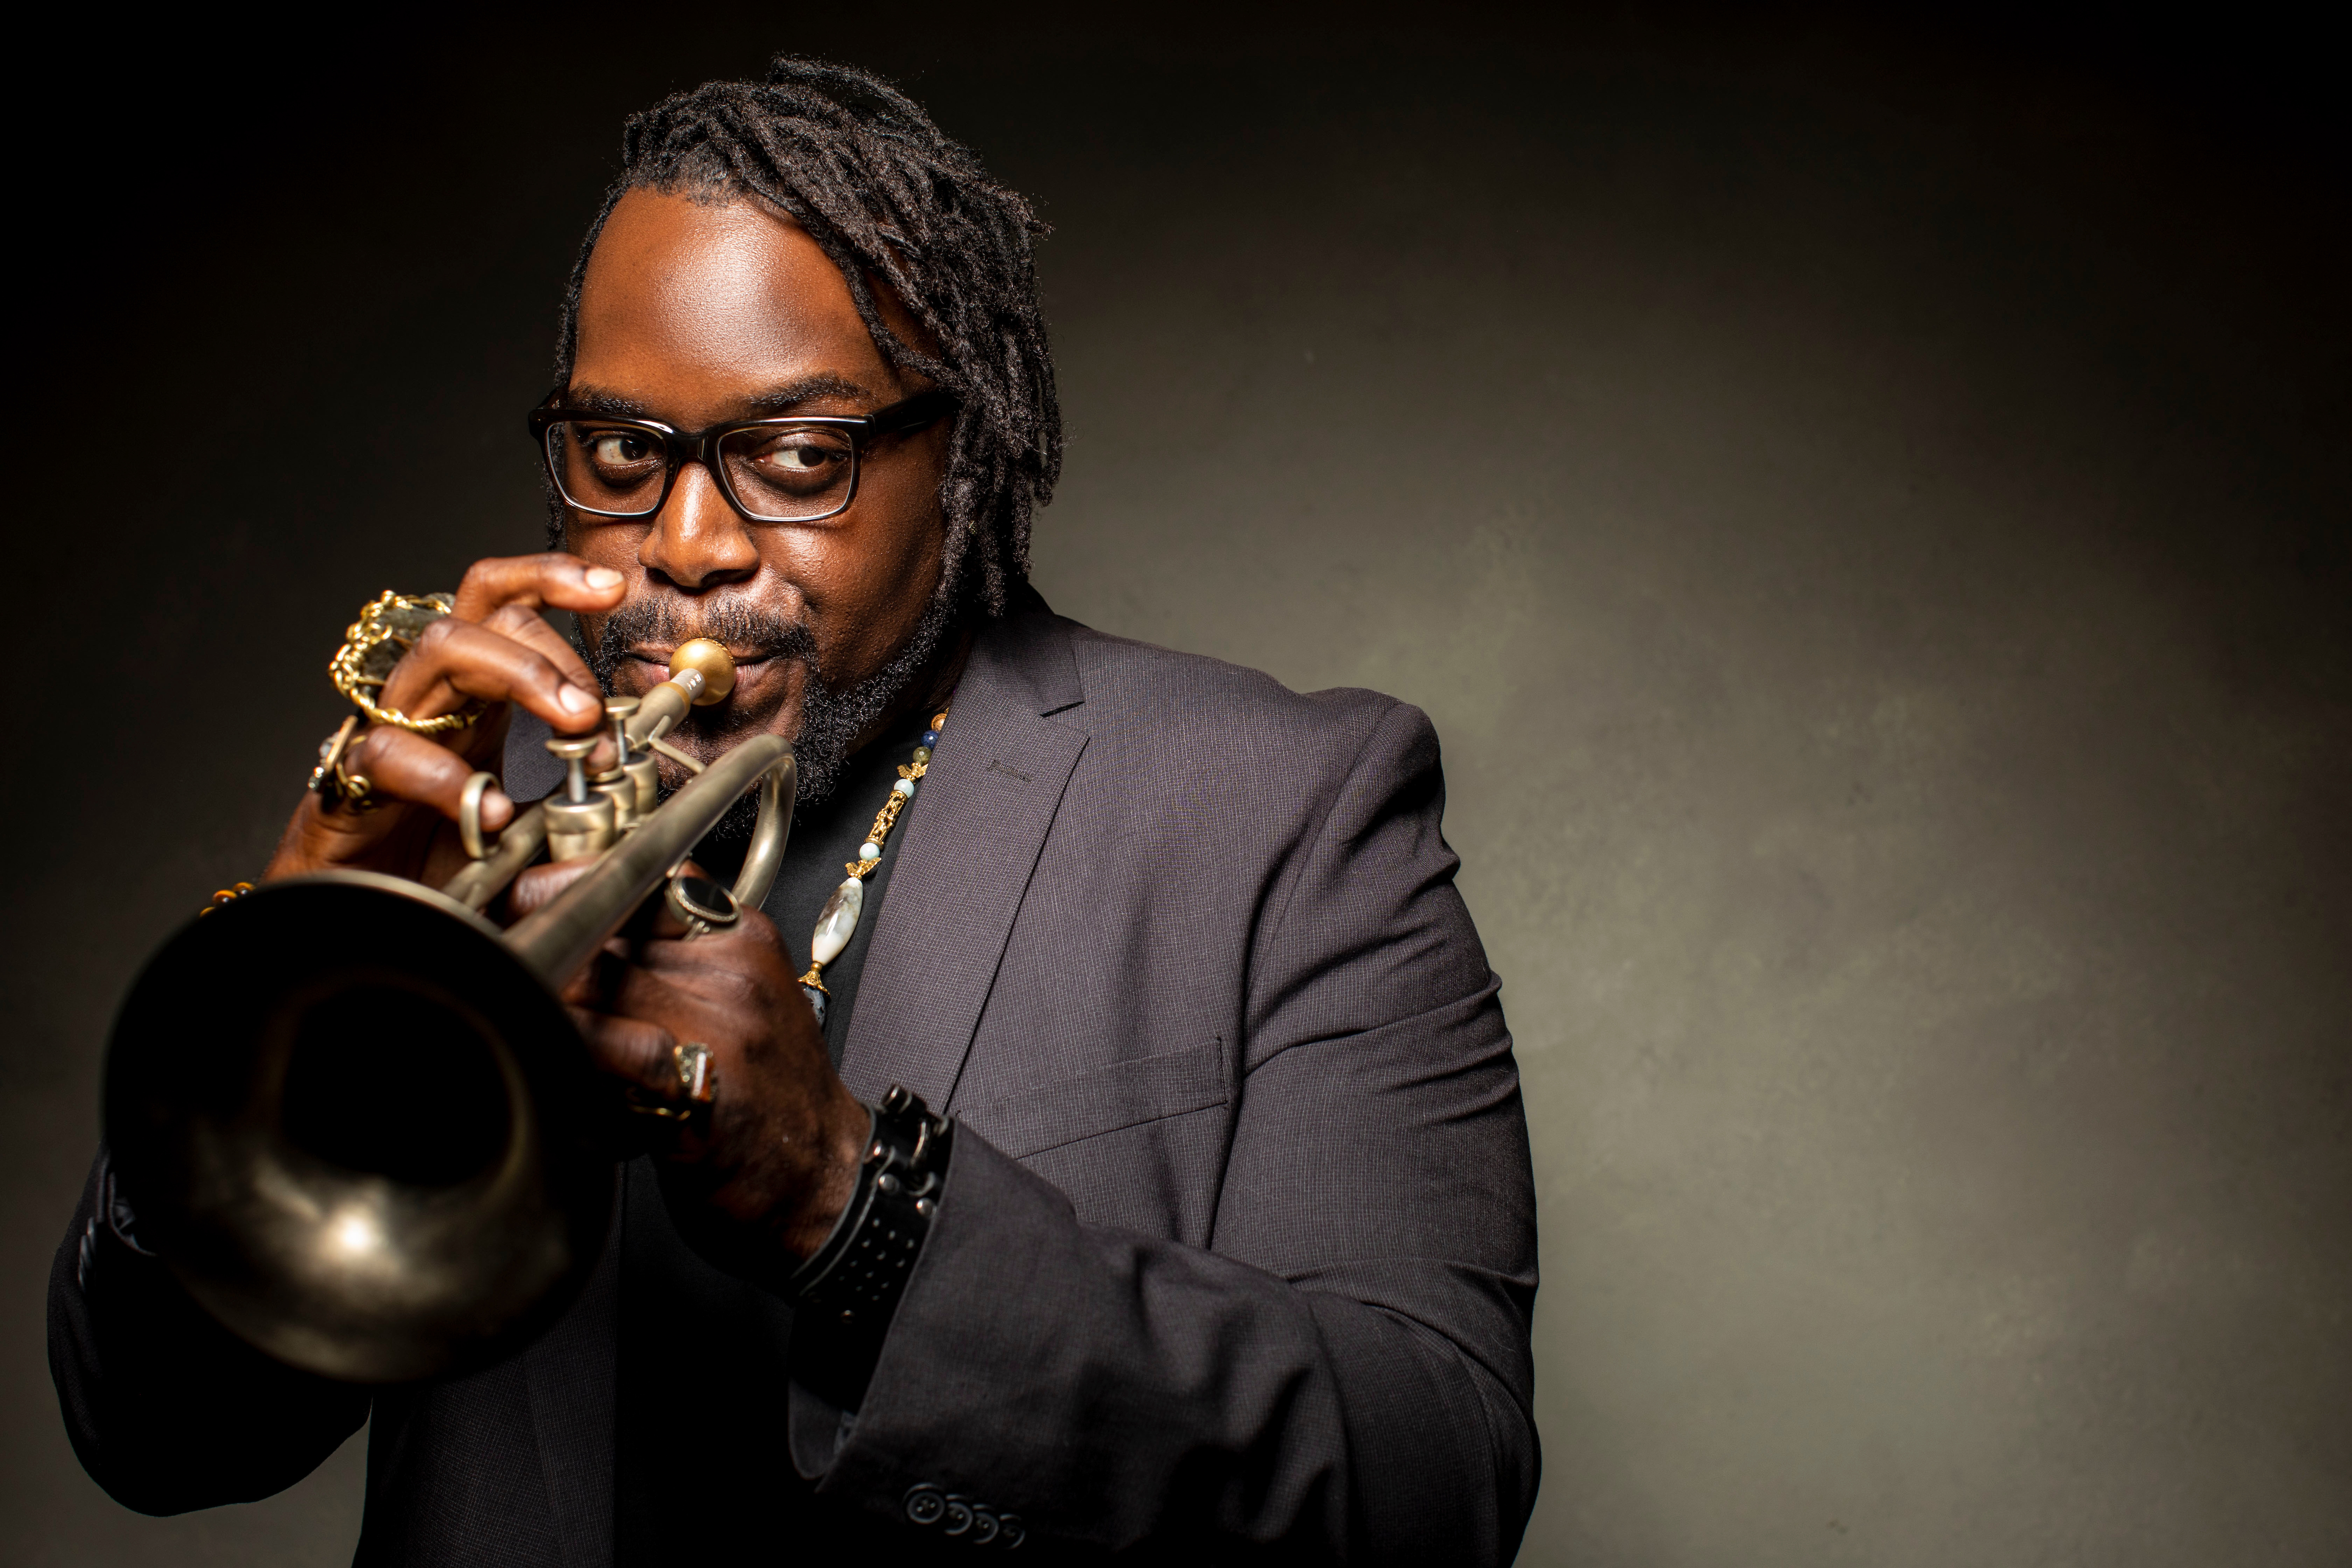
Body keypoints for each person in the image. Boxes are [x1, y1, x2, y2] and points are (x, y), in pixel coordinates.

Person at [50, 57, 1539, 1565]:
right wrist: (300, 960)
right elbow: (158, 1443)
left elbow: (1431, 1485)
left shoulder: (1284, 813)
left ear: (965, 458)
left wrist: (853, 1205)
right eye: (624, 454)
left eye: (792, 460)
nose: (686, 545)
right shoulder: (473, 827)